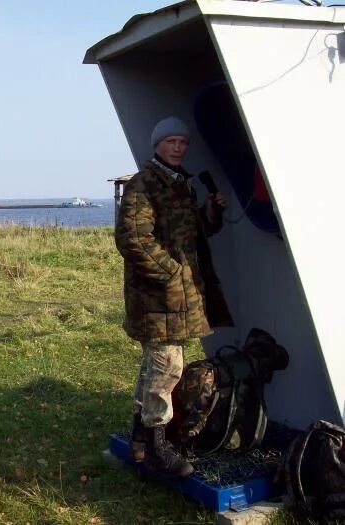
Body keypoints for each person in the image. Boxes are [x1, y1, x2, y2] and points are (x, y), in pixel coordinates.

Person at [114, 116, 234, 477]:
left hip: (177, 295)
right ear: (157, 145)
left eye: (183, 142)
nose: (179, 148)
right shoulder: (145, 184)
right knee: (168, 368)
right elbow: (133, 238)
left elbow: (191, 232)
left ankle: (141, 439)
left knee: (156, 367)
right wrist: (170, 273)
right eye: (171, 142)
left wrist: (211, 212)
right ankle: (157, 446)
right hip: (157, 297)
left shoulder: (181, 185)